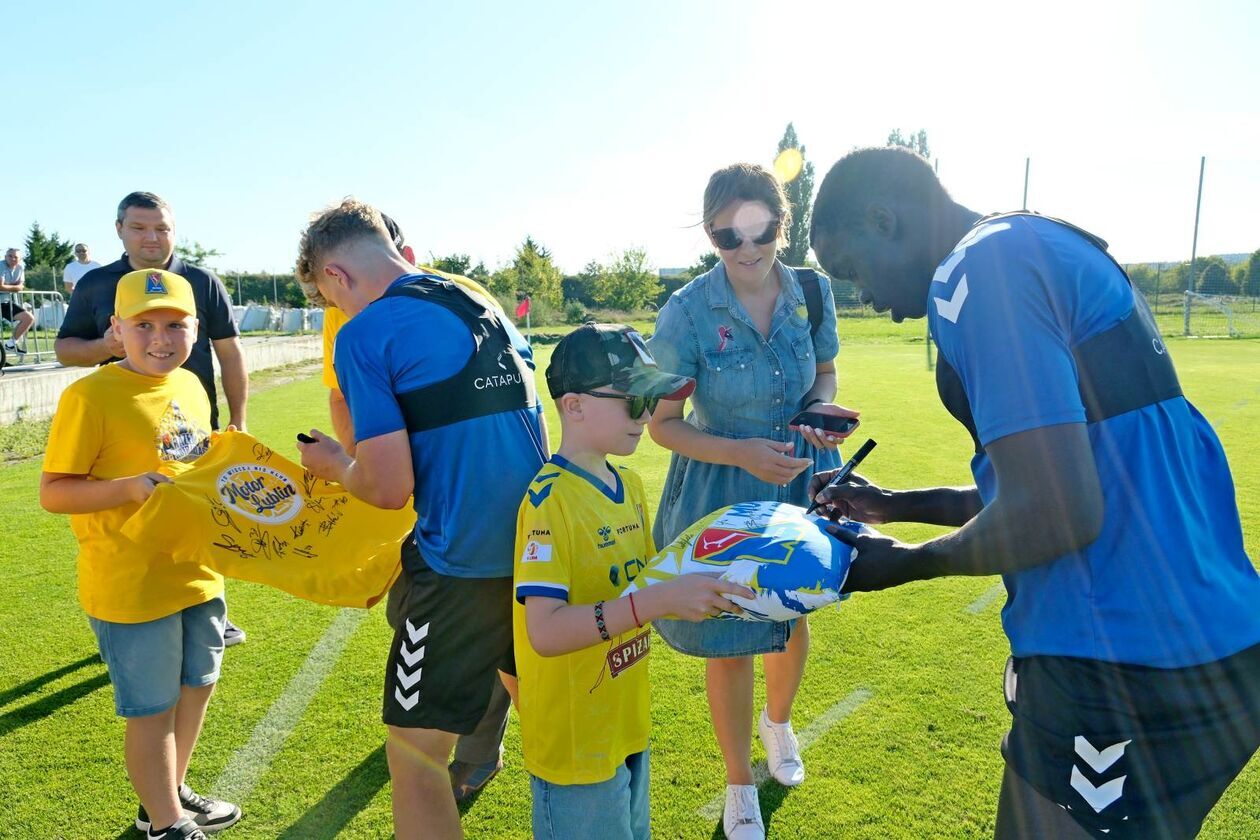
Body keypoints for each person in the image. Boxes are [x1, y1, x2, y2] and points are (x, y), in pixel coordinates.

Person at [808, 145, 1260, 839]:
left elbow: (1056, 513)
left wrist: (900, 562)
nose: (865, 296)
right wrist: (899, 504)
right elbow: (1066, 479)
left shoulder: (978, 270)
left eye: (854, 269)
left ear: (883, 218)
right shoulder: (1034, 241)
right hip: (1215, 645)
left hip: (1121, 661)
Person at [295, 199, 548, 840]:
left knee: (413, 758)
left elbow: (385, 487)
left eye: (329, 297)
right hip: (543, 550)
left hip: (461, 567)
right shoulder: (474, 299)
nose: (337, 312)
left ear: (338, 275)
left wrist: (334, 464)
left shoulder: (366, 332)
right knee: (559, 732)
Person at [646, 162, 858, 840]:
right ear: (710, 235)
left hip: (800, 478)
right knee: (729, 642)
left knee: (793, 615)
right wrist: (742, 452)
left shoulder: (814, 294)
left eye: (760, 230)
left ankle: (779, 722)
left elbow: (823, 372)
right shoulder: (683, 312)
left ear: (781, 223)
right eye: (727, 237)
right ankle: (739, 782)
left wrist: (818, 410)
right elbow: (661, 425)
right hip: (721, 486)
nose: (746, 249)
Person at [515, 323, 753, 840]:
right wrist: (656, 601)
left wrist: (735, 564)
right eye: (635, 400)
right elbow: (547, 632)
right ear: (573, 406)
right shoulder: (548, 501)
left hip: (626, 724)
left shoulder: (631, 485)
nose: (648, 417)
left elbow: (653, 580)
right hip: (576, 745)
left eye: (654, 400)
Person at [39, 269, 242, 840]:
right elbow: (54, 491)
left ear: (196, 329)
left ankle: (165, 795)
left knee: (197, 685)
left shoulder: (193, 388)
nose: (161, 338)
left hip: (197, 572)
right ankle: (168, 826)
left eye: (175, 324)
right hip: (129, 582)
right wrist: (128, 488)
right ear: (116, 330)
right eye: (144, 324)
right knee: (151, 708)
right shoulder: (90, 395)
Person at [55, 191, 249, 647]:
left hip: (194, 420)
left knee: (204, 515)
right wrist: (108, 346)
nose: (151, 237)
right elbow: (66, 349)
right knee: (132, 521)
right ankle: (130, 615)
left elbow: (230, 352)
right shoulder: (98, 285)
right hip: (126, 429)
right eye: (140, 228)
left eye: (161, 228)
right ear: (119, 230)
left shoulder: (201, 280)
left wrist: (238, 417)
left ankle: (207, 609)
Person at [2, 247, 36, 353]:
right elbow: (1, 287)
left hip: (5, 302)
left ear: (20, 259)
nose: (12, 259)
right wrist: (14, 287)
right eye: (10, 256)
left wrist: (8, 287)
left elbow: (21, 286)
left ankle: (10, 345)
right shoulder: (0, 266)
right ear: (5, 257)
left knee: (28, 318)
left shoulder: (20, 268)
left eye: (15, 257)